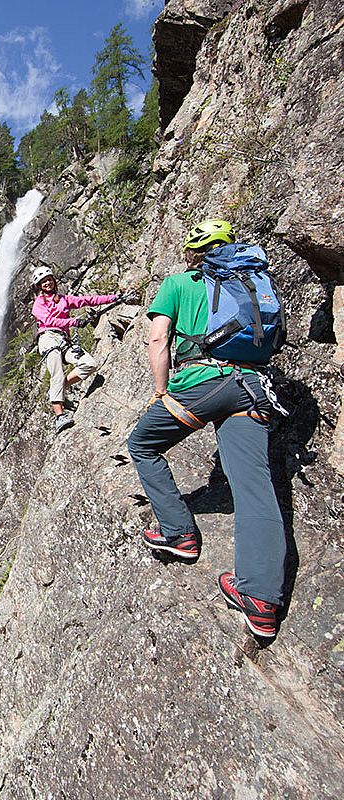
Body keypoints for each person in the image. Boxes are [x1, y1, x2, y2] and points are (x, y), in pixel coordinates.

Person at [126, 219, 286, 639]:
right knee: (255, 488)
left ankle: (178, 533)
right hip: (252, 388)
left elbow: (158, 339)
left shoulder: (178, 283)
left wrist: (160, 391)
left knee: (142, 443)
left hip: (204, 384)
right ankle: (261, 598)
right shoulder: (254, 283)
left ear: (192, 253)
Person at [30, 264, 119, 433]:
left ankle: (60, 387)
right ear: (39, 286)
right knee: (56, 373)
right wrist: (74, 322)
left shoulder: (63, 299)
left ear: (53, 281)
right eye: (43, 282)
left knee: (89, 363)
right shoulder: (38, 304)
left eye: (49, 280)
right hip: (48, 338)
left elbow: (88, 300)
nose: (47, 283)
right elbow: (50, 321)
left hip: (65, 339)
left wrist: (113, 297)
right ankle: (59, 416)